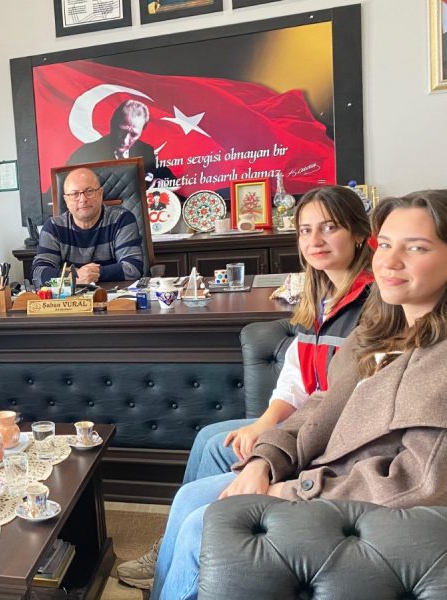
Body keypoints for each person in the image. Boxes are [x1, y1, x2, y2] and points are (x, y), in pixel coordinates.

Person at [152, 189, 447, 600]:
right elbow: (322, 402)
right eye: (386, 244)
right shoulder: (380, 329)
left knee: (200, 525)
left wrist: (290, 489)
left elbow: (414, 484)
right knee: (190, 499)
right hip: (318, 473)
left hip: (355, 508)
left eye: (415, 248)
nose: (390, 261)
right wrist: (264, 459)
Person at [117, 185, 374, 590]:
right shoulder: (320, 295)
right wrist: (264, 423)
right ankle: (173, 550)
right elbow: (295, 379)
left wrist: (268, 438)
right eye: (305, 230)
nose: (315, 240)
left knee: (194, 499)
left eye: (329, 228)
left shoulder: (375, 305)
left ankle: (186, 555)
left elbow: (340, 405)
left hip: (325, 440)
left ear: (359, 233)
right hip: (303, 424)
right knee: (210, 439)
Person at [31, 167, 145, 286]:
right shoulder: (53, 227)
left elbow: (133, 269)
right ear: (66, 200)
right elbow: (38, 275)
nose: (83, 199)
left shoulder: (121, 219)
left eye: (89, 191)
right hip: (71, 297)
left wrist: (90, 274)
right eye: (75, 194)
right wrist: (72, 277)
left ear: (100, 193)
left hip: (115, 295)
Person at [66, 99, 174, 184]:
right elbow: (62, 189)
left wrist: (158, 182)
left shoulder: (145, 151)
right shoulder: (85, 154)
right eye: (122, 130)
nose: (125, 140)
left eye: (133, 134)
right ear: (112, 124)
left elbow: (170, 181)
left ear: (141, 132)